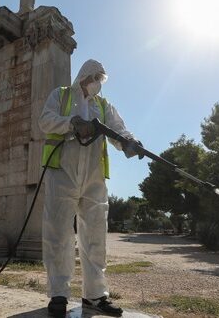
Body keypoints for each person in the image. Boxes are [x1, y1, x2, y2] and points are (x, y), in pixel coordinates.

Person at [39, 59, 142, 317]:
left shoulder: (103, 106)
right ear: (84, 75)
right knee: (59, 235)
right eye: (95, 76)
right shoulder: (60, 95)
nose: (97, 82)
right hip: (62, 173)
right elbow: (45, 120)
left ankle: (95, 296)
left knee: (95, 236)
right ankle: (59, 294)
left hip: (94, 178)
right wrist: (72, 123)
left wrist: (130, 143)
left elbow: (119, 130)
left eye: (101, 78)